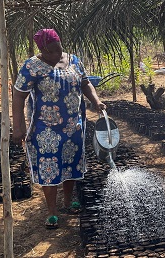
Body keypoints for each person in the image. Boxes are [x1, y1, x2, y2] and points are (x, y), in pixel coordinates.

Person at [12, 28, 106, 229]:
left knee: (71, 165)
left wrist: (96, 101)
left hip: (73, 127)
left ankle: (69, 201)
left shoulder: (73, 60)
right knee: (50, 169)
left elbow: (85, 83)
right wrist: (18, 127)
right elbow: (19, 95)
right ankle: (52, 211)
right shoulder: (31, 66)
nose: (56, 55)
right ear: (42, 49)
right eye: (51, 52)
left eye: (58, 50)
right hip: (46, 129)